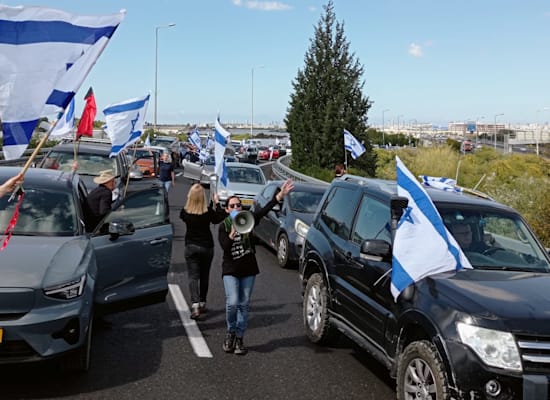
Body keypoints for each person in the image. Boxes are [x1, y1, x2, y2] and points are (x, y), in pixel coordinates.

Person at [218, 178, 294, 355]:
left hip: (248, 269)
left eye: (238, 205)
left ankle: (239, 337)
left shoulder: (249, 219)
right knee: (232, 303)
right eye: (233, 206)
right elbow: (224, 248)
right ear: (227, 209)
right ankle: (230, 331)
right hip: (230, 269)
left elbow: (264, 209)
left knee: (244, 304)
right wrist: (232, 234)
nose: (236, 208)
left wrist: (280, 195)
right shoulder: (224, 226)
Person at [179, 184, 226, 319]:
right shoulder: (208, 212)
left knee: (193, 276)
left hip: (191, 246)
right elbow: (219, 216)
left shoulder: (185, 212)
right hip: (206, 246)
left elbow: (183, 215)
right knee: (204, 275)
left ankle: (195, 305)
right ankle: (202, 302)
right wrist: (216, 202)